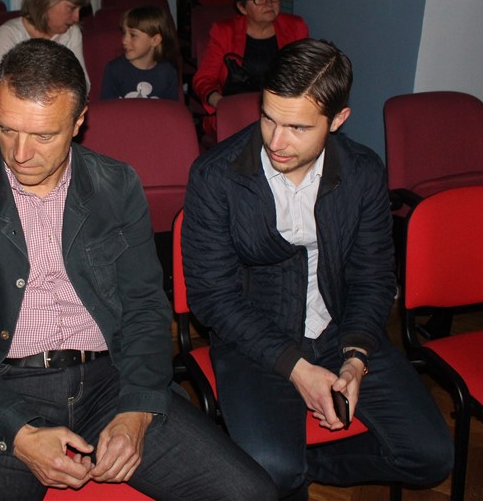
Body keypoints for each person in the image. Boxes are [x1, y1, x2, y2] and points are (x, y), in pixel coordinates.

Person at [0, 39, 276, 501]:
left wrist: (137, 411)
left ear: (78, 122)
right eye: (7, 129)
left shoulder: (116, 185)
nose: (20, 153)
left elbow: (146, 309)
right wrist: (20, 434)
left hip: (112, 379)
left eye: (43, 136)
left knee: (249, 493)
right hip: (5, 387)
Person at [182, 38, 453, 499]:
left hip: (340, 330)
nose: (276, 141)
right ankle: (281, 473)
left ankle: (302, 470)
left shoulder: (362, 171)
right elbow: (213, 297)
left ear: (338, 120)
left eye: (297, 127)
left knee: (430, 455)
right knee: (272, 467)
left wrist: (356, 359)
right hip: (255, 340)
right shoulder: (216, 176)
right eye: (269, 118)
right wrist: (296, 368)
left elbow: (373, 276)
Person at [192, 0, 309, 137]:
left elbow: (306, 76)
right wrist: (220, 102)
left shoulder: (296, 27)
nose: (269, 3)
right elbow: (204, 79)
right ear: (242, 7)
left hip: (283, 116)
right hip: (236, 116)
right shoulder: (224, 31)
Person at [100, 5, 180, 101]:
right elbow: (107, 107)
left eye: (133, 35)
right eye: (124, 33)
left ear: (155, 40)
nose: (124, 40)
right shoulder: (114, 70)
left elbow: (171, 108)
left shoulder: (168, 72)